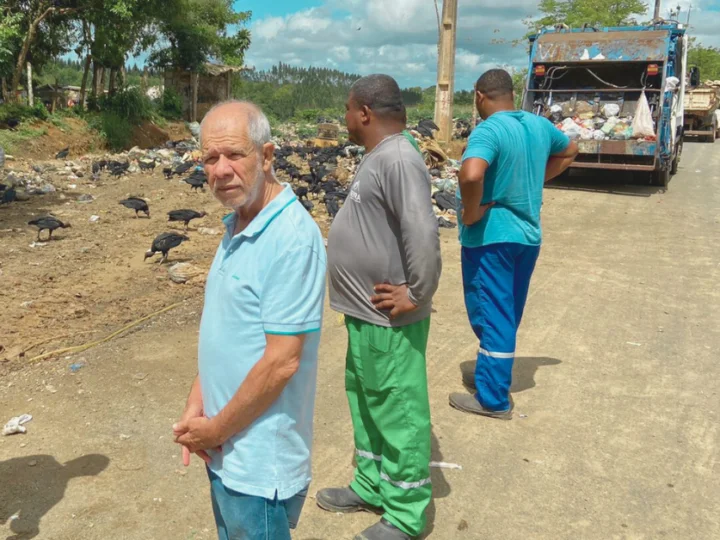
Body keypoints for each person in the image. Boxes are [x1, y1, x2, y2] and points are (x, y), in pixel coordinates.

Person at [172, 101, 327, 540]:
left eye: (234, 154)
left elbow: (282, 362)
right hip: (223, 446)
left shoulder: (290, 238)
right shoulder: (240, 222)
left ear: (267, 155)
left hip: (257, 462)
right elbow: (229, 329)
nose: (220, 170)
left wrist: (215, 429)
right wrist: (198, 400)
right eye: (209, 158)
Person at [318, 74, 442, 540]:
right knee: (367, 403)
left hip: (390, 319)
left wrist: (416, 291)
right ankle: (371, 485)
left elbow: (422, 231)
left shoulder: (399, 159)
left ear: (365, 113)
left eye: (348, 109)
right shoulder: (381, 156)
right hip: (365, 315)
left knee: (398, 409)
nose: (345, 118)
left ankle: (407, 514)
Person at [449, 69, 579, 419]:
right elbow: (570, 150)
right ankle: (490, 374)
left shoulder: (489, 130)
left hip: (492, 238)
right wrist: (536, 180)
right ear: (512, 92)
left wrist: (473, 212)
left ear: (479, 95)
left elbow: (471, 173)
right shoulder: (538, 126)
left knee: (492, 314)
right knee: (505, 312)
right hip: (527, 237)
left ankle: (492, 399)